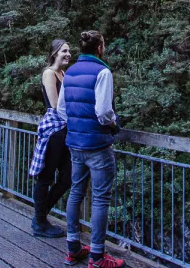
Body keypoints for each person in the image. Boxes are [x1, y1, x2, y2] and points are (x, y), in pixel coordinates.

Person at [58, 30, 126, 268]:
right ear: (100, 48)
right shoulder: (103, 71)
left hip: (75, 144)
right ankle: (97, 257)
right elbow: (104, 112)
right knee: (100, 199)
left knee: (76, 192)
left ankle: (73, 249)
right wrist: (115, 124)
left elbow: (61, 110)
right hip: (97, 145)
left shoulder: (70, 72)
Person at [29, 39, 73, 238]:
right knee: (46, 177)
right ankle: (40, 223)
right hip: (55, 130)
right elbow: (56, 106)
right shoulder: (49, 73)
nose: (68, 54)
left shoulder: (64, 74)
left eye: (69, 51)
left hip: (65, 130)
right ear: (54, 52)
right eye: (64, 51)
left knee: (68, 176)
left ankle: (40, 216)